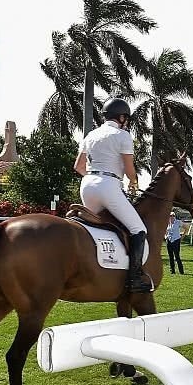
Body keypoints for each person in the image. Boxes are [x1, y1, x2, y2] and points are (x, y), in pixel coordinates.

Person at [73, 97, 152, 293]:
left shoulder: (90, 135)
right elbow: (129, 167)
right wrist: (133, 182)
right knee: (138, 229)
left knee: (96, 227)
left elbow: (78, 167)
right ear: (122, 117)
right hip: (108, 185)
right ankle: (134, 278)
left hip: (87, 186)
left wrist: (94, 178)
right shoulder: (122, 135)